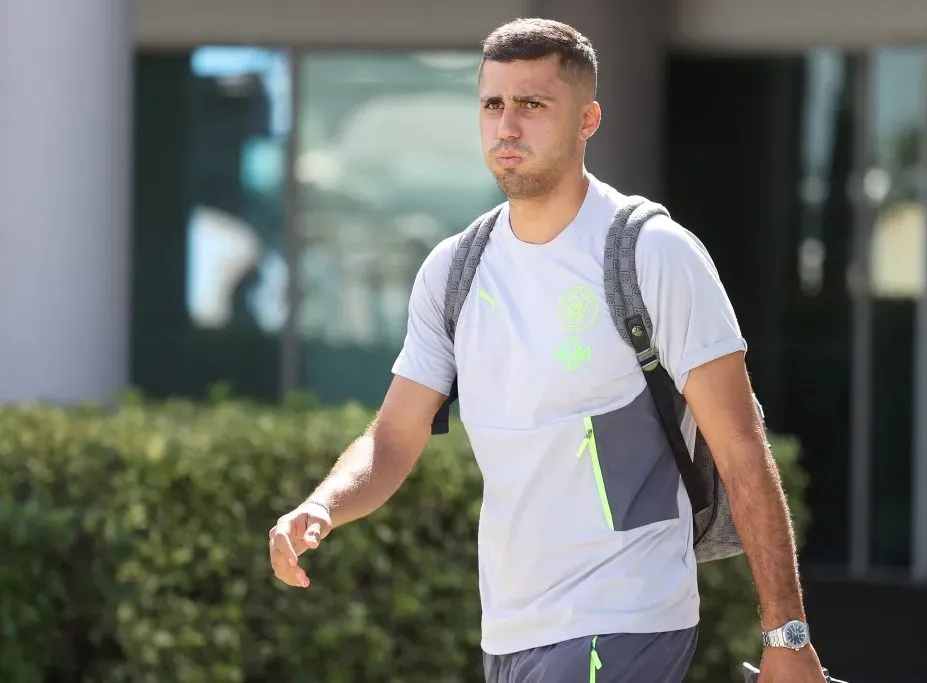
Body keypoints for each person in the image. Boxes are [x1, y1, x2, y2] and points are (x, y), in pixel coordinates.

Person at [269, 17, 827, 683]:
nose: (507, 126)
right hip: (509, 630)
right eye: (492, 104)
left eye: (532, 105)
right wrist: (325, 503)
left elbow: (742, 448)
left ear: (587, 119)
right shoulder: (454, 270)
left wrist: (787, 635)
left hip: (624, 620)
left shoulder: (652, 254)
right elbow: (394, 435)